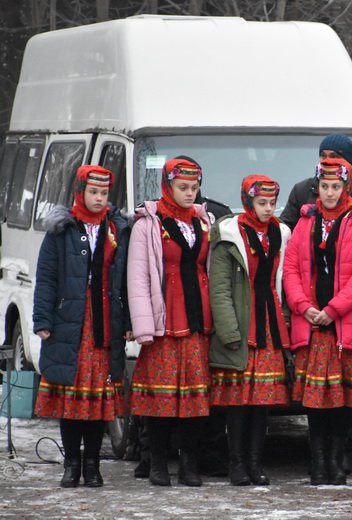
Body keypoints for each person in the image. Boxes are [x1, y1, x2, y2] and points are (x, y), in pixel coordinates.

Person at [32, 165, 131, 488]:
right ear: (80, 192)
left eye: (104, 193)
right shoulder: (62, 230)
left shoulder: (117, 228)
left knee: (98, 403)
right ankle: (71, 463)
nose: (100, 199)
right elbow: (46, 277)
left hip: (104, 326)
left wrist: (128, 321)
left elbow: (125, 280)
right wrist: (43, 319)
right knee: (72, 403)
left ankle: (93, 465)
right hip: (69, 325)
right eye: (93, 192)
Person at [283, 157, 352, 486]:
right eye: (324, 186)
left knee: (344, 400)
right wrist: (303, 305)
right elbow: (292, 268)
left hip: (344, 323)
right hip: (311, 324)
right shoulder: (305, 222)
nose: (329, 192)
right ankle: (318, 461)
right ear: (316, 188)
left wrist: (334, 309)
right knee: (314, 401)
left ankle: (338, 459)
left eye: (336, 186)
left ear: (346, 187)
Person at [127, 158, 212, 487]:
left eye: (194, 188)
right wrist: (144, 325)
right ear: (168, 186)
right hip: (164, 321)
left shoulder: (204, 223)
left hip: (195, 320)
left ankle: (188, 463)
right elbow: (138, 278)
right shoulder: (148, 224)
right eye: (183, 188)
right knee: (160, 398)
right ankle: (158, 461)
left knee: (194, 398)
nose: (190, 193)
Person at [208, 175, 292, 486]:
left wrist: (285, 319)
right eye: (262, 203)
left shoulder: (281, 234)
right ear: (247, 202)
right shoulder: (229, 235)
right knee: (238, 403)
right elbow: (220, 289)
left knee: (261, 404)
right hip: (243, 326)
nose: (268, 209)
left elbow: (283, 279)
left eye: (272, 203)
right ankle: (237, 463)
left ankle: (257, 463)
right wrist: (229, 330)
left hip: (268, 325)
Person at [280, 133, 352, 230]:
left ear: (348, 161)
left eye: (334, 156)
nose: (327, 160)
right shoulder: (302, 190)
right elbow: (285, 230)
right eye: (323, 155)